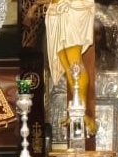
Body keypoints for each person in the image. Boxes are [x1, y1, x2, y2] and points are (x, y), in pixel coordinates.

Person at [45, 0, 96, 134]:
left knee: (75, 64)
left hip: (72, 10)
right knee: (68, 69)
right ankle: (77, 110)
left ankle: (81, 111)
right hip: (57, 11)